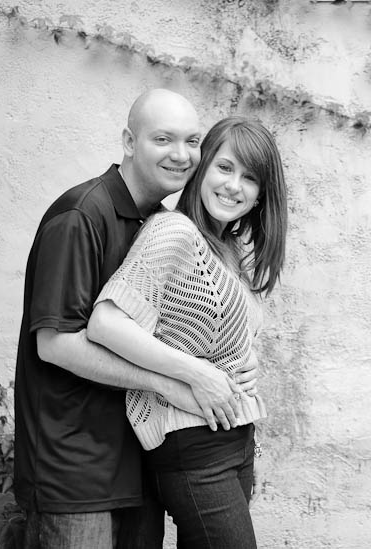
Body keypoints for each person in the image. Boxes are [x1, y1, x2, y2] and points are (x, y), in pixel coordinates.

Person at [14, 89, 257, 549]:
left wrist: (232, 367)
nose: (180, 155)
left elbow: (180, 332)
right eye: (163, 139)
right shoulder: (81, 214)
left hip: (137, 461)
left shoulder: (160, 222)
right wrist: (177, 381)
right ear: (129, 140)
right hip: (75, 469)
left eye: (192, 141)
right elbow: (56, 343)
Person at [86, 115, 288, 548]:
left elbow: (210, 330)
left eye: (250, 178)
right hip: (192, 443)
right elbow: (106, 322)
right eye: (225, 167)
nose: (235, 186)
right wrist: (197, 373)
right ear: (201, 168)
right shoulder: (175, 232)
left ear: (260, 197)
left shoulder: (228, 248)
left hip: (234, 437)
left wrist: (244, 361)